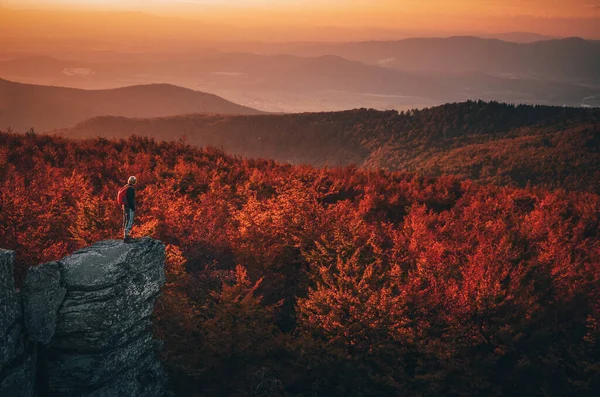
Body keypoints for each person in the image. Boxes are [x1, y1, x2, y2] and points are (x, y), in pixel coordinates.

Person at [122, 176, 137, 243]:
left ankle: (125, 235)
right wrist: (133, 207)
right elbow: (131, 199)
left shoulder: (125, 187)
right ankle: (126, 236)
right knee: (129, 220)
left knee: (126, 219)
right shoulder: (131, 189)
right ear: (134, 182)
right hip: (129, 207)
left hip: (124, 206)